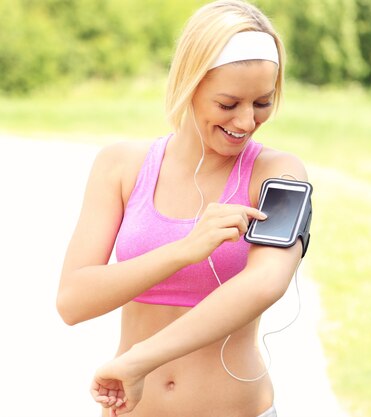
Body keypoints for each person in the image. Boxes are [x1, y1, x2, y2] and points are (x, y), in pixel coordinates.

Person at [56, 1, 307, 416]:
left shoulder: (278, 174)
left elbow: (265, 283)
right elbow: (73, 300)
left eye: (262, 103)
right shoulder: (120, 166)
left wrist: (140, 360)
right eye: (228, 104)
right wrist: (183, 250)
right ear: (189, 84)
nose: (246, 122)